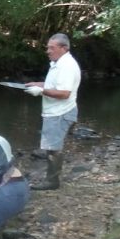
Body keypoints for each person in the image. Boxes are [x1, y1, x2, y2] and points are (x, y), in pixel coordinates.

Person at [24, 33, 82, 190]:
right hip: (55, 112)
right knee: (51, 147)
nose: (48, 51)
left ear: (64, 48)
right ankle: (51, 179)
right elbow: (55, 84)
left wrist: (40, 91)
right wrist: (39, 84)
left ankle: (52, 182)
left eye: (52, 48)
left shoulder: (67, 65)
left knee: (53, 149)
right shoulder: (59, 63)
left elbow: (64, 93)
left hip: (60, 112)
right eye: (47, 47)